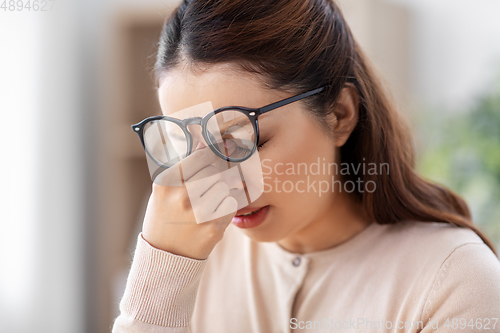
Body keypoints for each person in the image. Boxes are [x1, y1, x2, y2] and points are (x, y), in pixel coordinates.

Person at [113, 0, 500, 332]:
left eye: (243, 140)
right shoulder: (190, 252)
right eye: (189, 148)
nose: (218, 182)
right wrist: (160, 275)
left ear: (339, 114)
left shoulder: (454, 282)